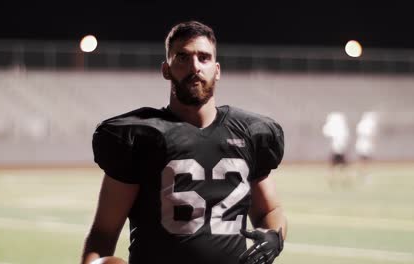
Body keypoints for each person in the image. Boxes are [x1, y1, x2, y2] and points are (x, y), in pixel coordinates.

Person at [81, 21, 287, 264]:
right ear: (166, 70)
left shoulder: (249, 133)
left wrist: (274, 236)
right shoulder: (141, 136)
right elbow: (103, 233)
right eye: (182, 57)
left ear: (217, 69)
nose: (194, 66)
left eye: (204, 57)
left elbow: (269, 211)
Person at [322, 112, 350, 185]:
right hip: (339, 150)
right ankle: (342, 180)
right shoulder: (341, 128)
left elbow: (327, 132)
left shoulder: (338, 128)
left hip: (336, 150)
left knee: (335, 166)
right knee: (342, 166)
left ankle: (332, 180)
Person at [355, 111, 379, 181]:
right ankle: (364, 175)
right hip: (366, 146)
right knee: (365, 161)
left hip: (361, 146)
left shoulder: (361, 124)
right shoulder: (368, 125)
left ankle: (362, 174)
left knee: (363, 161)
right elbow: (371, 136)